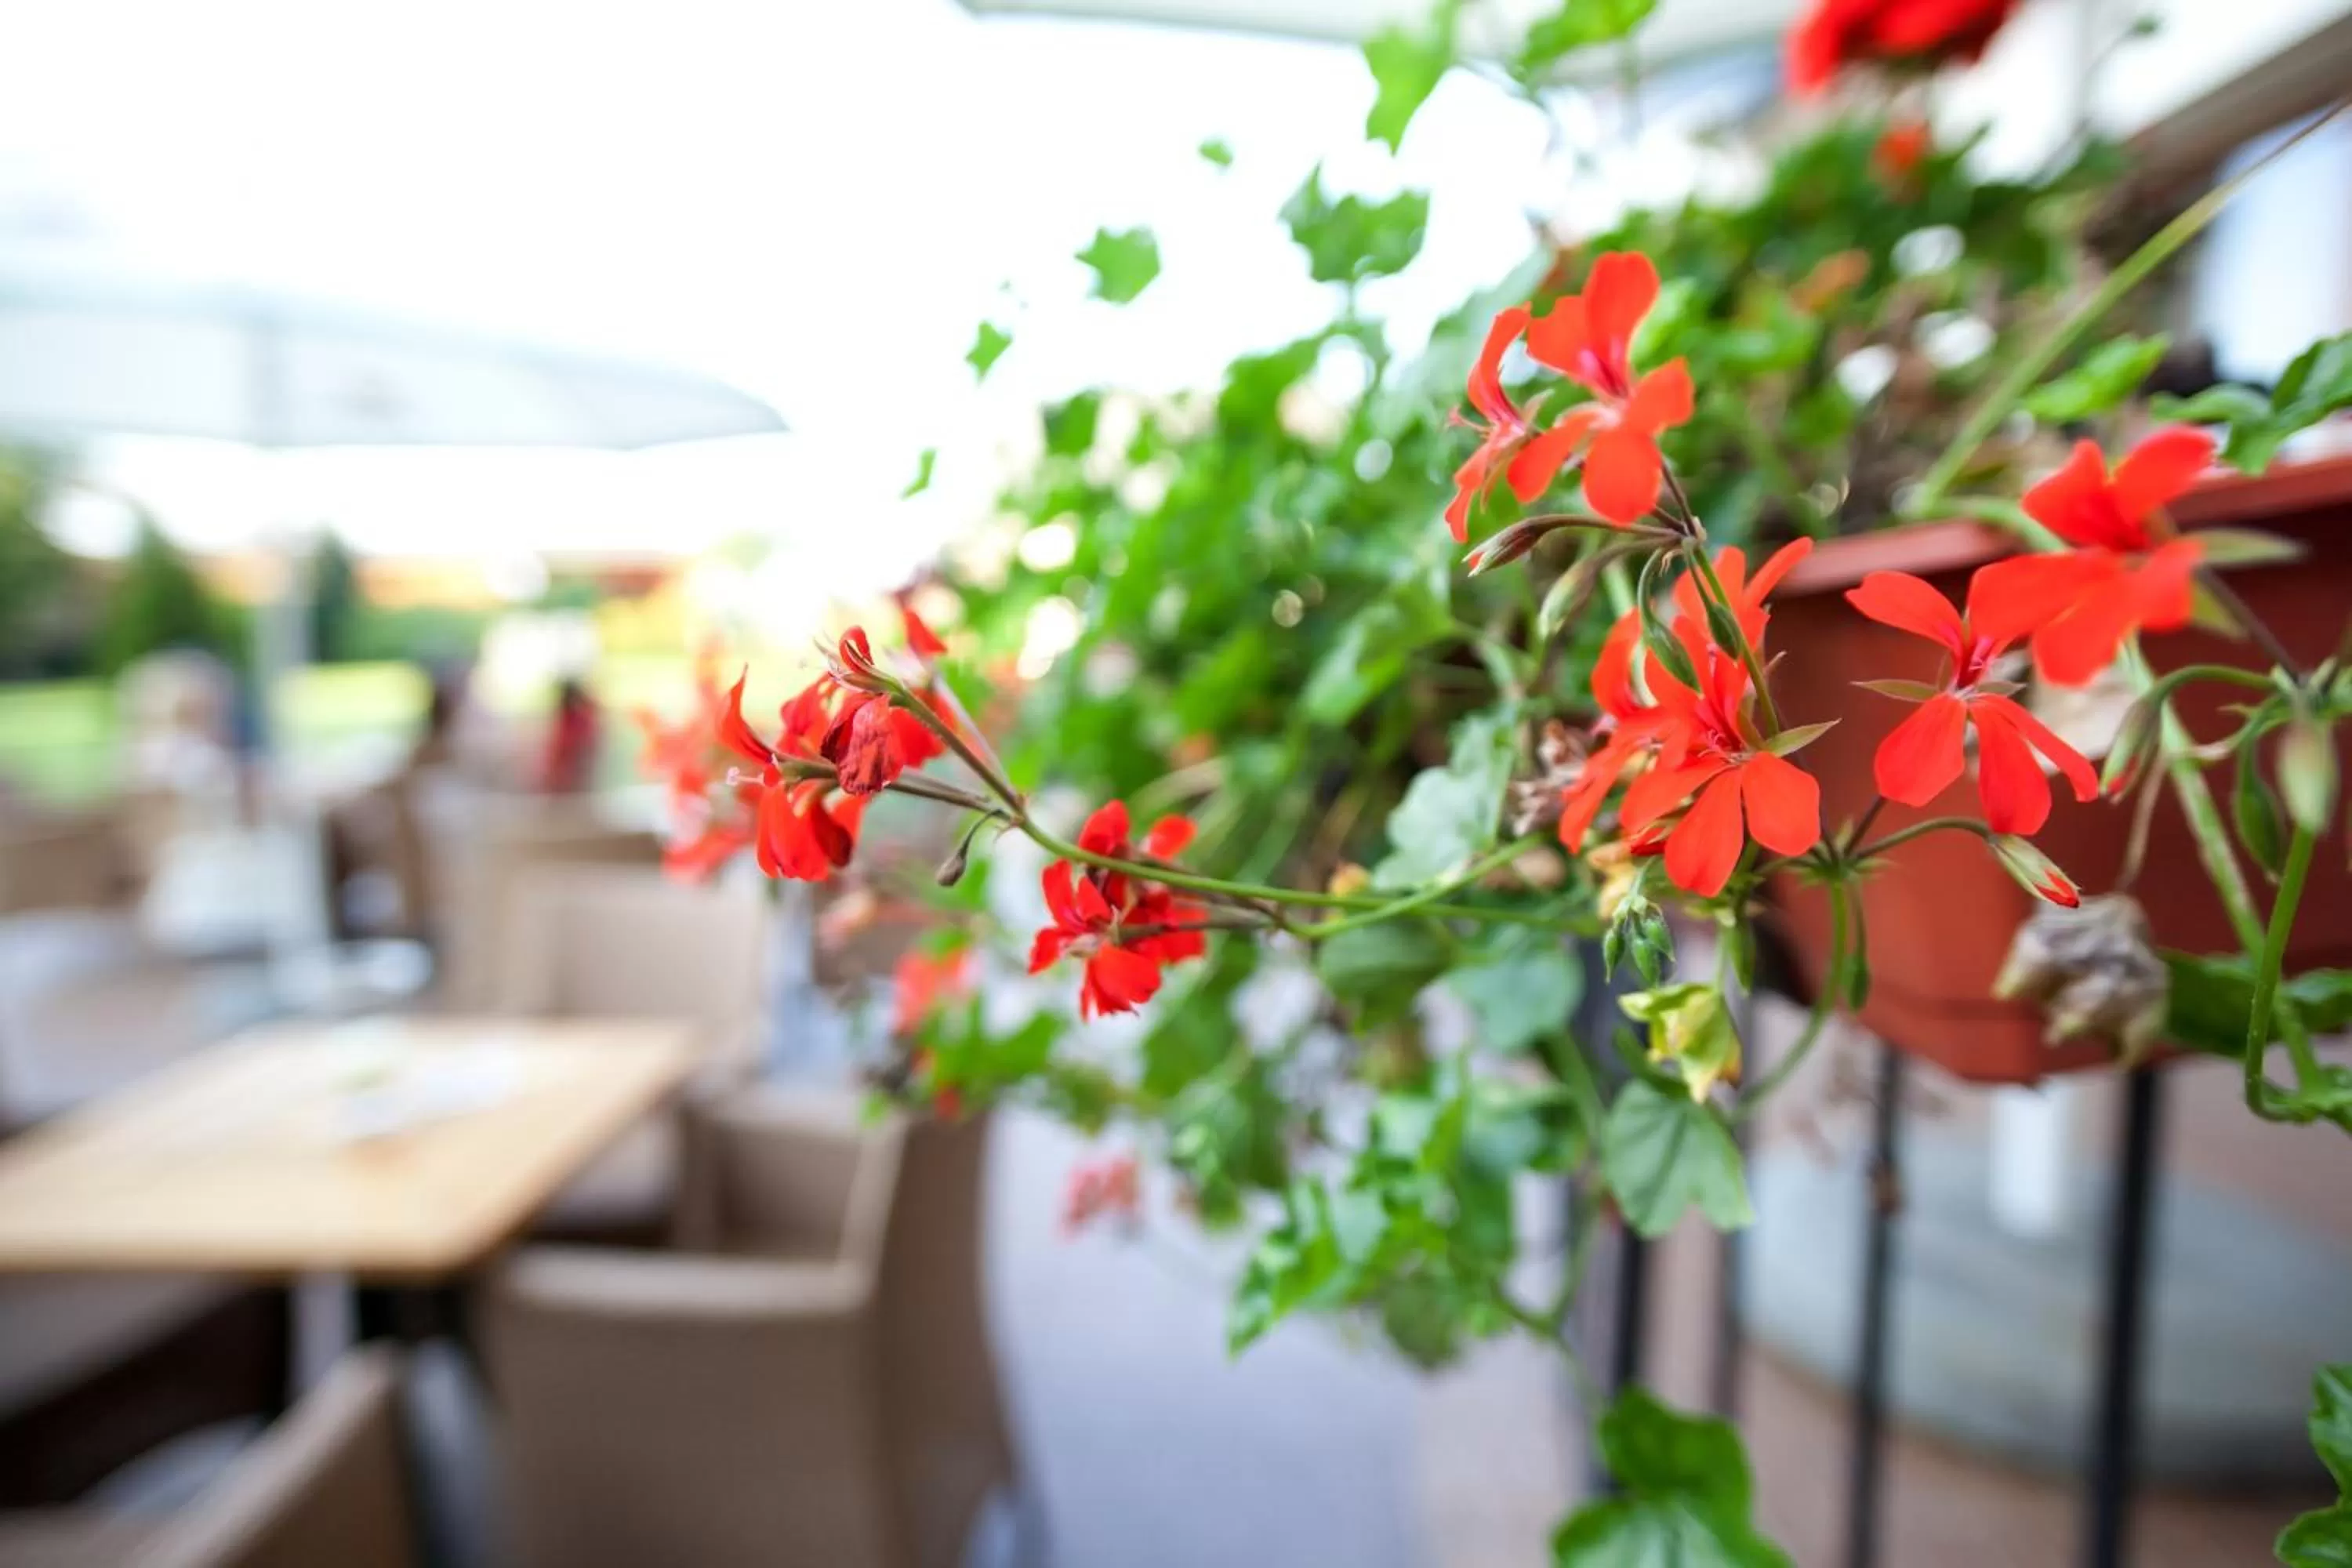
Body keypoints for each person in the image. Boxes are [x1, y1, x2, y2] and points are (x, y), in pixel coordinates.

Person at [535, 676, 602, 796]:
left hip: (569, 778)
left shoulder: (581, 719)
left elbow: (579, 750)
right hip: (563, 777)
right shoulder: (569, 718)